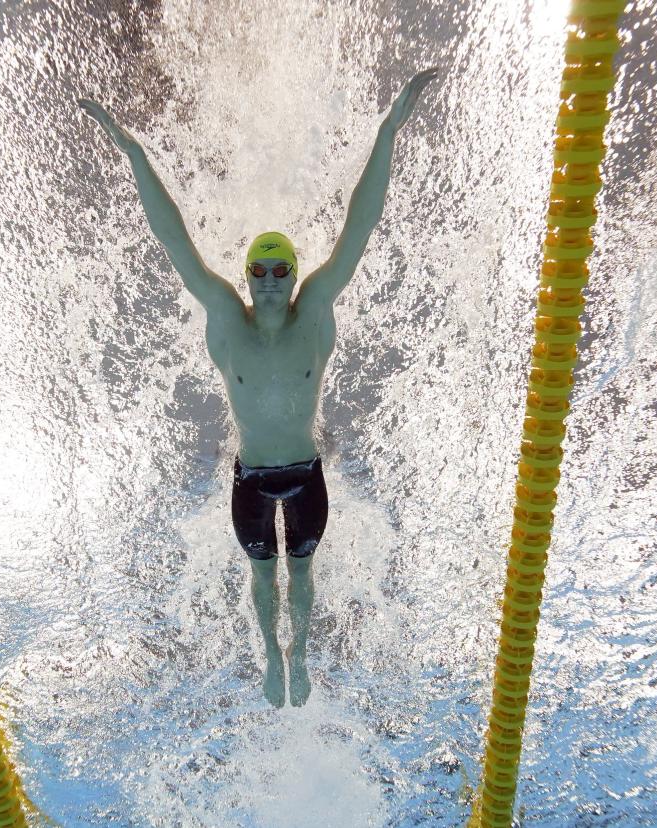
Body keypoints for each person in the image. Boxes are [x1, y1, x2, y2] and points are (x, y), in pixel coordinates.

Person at [79, 68, 438, 707]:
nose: (270, 278)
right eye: (260, 269)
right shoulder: (224, 314)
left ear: (293, 274)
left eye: (281, 269)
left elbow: (361, 226)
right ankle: (271, 657)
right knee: (261, 576)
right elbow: (174, 240)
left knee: (301, 578)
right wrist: (131, 150)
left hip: (305, 472)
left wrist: (390, 130)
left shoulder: (316, 308)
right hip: (249, 476)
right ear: (247, 277)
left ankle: (298, 656)